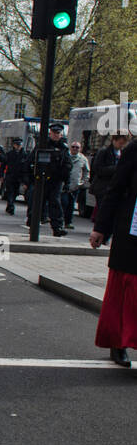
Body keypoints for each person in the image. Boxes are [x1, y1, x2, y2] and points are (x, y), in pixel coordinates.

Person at [90, 138, 137, 367]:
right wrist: (101, 228)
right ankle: (118, 343)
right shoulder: (134, 149)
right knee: (128, 287)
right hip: (133, 232)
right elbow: (115, 189)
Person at [89, 131, 130, 217]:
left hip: (114, 187)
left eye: (124, 144)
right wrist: (116, 168)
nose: (122, 146)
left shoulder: (123, 153)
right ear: (114, 140)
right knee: (102, 211)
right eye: (120, 143)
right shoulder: (103, 152)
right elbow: (97, 169)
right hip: (102, 187)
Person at [63, 140, 90, 229]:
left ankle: (68, 222)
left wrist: (82, 182)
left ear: (80, 149)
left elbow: (86, 171)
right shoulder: (65, 156)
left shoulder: (83, 159)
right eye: (73, 147)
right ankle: (60, 220)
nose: (75, 149)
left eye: (77, 147)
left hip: (75, 186)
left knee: (71, 205)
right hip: (64, 185)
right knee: (64, 203)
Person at [2, 139, 26, 214]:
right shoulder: (10, 154)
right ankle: (11, 205)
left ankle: (10, 205)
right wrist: (1, 175)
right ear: (14, 145)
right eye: (17, 145)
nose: (18, 146)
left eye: (19, 145)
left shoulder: (25, 155)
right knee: (10, 191)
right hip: (10, 176)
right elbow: (3, 164)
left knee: (15, 192)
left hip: (19, 177)